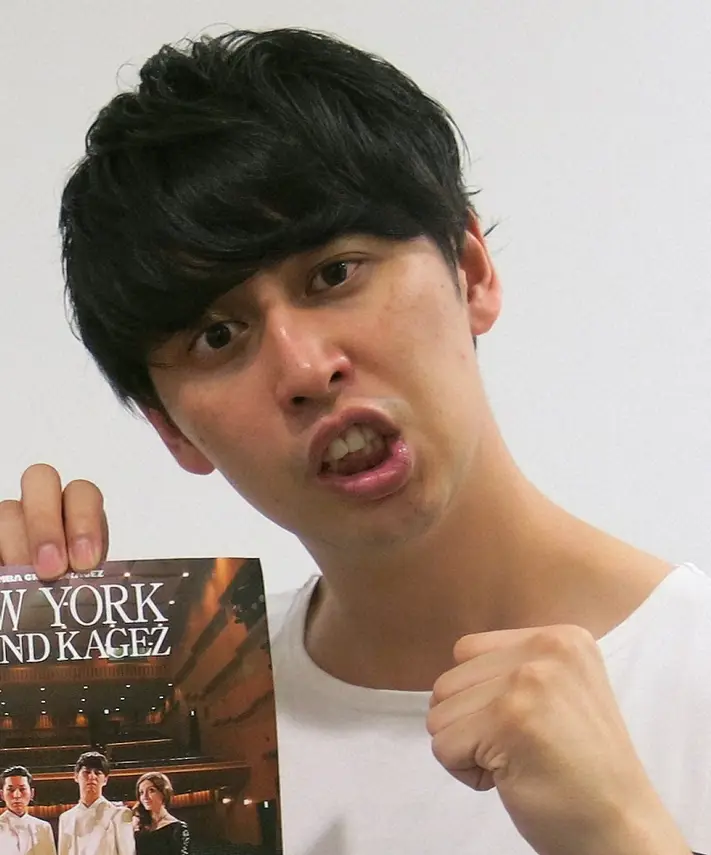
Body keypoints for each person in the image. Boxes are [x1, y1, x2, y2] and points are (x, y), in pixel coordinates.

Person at [0, 27, 709, 855]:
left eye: (334, 273)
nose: (305, 367)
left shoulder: (690, 674)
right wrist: (42, 661)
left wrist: (620, 836)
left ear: (471, 272)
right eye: (218, 335)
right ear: (172, 429)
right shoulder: (204, 725)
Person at [57, 752, 134, 855]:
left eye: (97, 773)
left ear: (105, 780)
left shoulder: (119, 814)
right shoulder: (66, 818)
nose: (92, 776)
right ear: (76, 777)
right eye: (87, 772)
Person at [0, 765, 57, 855]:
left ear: (32, 793)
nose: (17, 795)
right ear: (2, 794)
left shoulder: (43, 827)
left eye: (22, 789)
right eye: (11, 790)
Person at [133, 773, 189, 855]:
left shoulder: (177, 828)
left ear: (164, 793)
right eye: (141, 792)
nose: (145, 796)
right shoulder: (137, 825)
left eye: (151, 790)